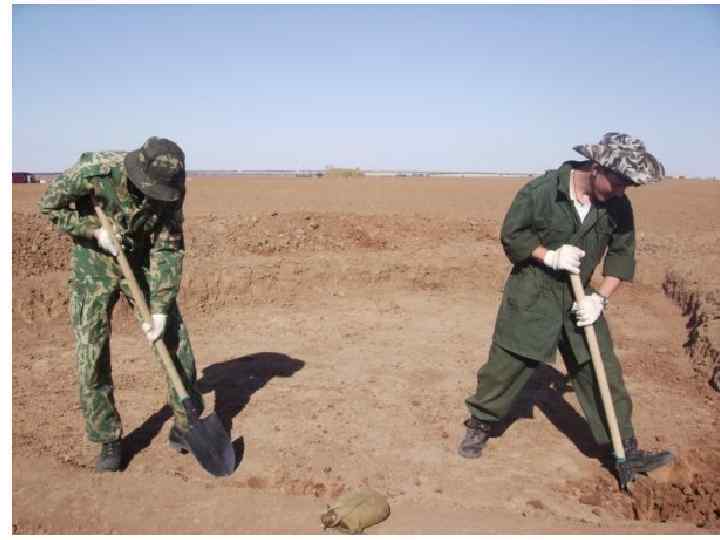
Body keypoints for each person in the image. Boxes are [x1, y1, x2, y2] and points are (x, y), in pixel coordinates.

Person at [458, 133, 673, 482]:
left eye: (629, 186)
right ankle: (480, 423)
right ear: (596, 167)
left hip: (580, 297)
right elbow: (513, 235)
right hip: (534, 291)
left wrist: (600, 299)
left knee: (601, 369)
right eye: (619, 182)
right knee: (508, 363)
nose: (622, 191)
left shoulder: (618, 205)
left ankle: (624, 449)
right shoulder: (541, 191)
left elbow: (621, 256)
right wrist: (549, 256)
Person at [39, 136, 204, 473]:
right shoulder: (94, 171)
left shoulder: (171, 188)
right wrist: (92, 231)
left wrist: (160, 308)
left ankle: (187, 425)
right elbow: (50, 206)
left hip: (138, 262)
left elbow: (169, 247)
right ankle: (107, 437)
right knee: (92, 350)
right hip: (93, 264)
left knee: (173, 340)